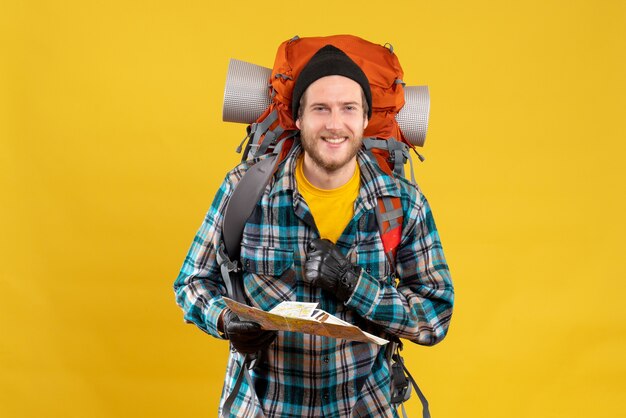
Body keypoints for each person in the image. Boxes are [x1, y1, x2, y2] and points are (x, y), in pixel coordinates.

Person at [174, 43, 454, 418]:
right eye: (320, 108)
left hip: (363, 406)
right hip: (261, 406)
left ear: (366, 118)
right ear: (299, 117)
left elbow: (435, 317)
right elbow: (190, 283)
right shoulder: (244, 188)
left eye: (348, 109)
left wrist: (353, 283)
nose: (334, 124)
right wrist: (223, 320)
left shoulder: (402, 203)